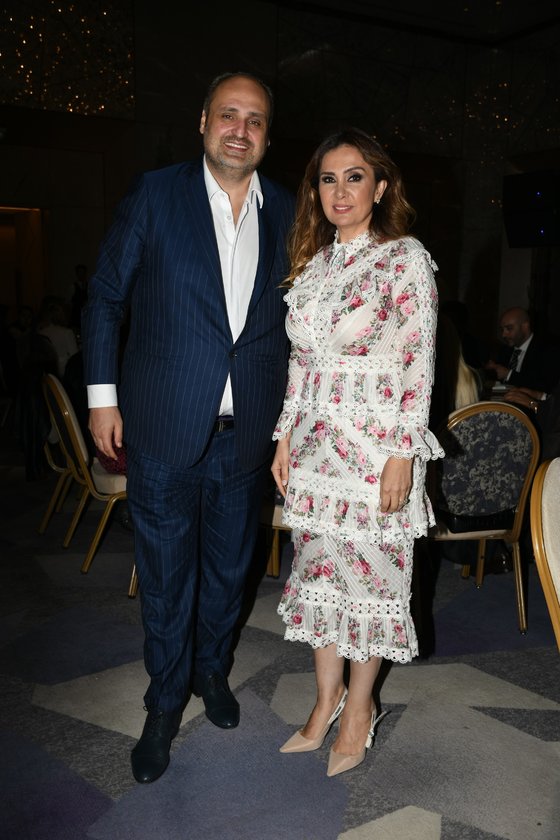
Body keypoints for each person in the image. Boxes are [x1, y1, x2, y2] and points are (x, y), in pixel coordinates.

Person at [82, 71, 294, 784]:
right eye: (229, 114)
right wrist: (102, 398)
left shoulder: (289, 210)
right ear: (204, 120)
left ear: (267, 135)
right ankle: (164, 702)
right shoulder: (155, 194)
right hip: (163, 426)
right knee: (168, 578)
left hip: (248, 432)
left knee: (230, 574)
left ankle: (211, 672)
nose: (240, 129)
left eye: (255, 119)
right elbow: (105, 298)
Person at [271, 128, 443, 777]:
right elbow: (301, 363)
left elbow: (417, 360)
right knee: (319, 576)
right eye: (327, 179)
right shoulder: (313, 265)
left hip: (375, 447)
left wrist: (403, 451)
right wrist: (285, 435)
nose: (339, 191)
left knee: (370, 582)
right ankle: (325, 701)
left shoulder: (404, 258)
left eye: (354, 177)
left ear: (381, 187)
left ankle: (360, 708)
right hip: (316, 450)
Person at [485, 307, 557, 393]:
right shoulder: (505, 350)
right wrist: (492, 370)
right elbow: (498, 378)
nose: (504, 335)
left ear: (525, 326)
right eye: (502, 329)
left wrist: (509, 374)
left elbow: (546, 386)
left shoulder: (547, 350)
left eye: (509, 328)